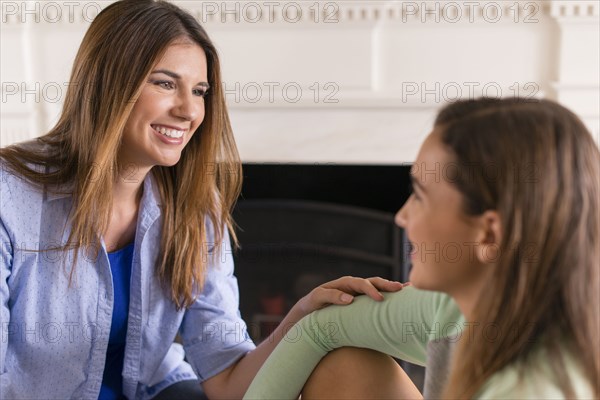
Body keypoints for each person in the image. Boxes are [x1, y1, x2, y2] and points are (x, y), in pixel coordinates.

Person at [0, 1, 407, 399]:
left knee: (345, 361)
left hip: (161, 391)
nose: (189, 110)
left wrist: (302, 319)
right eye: (164, 83)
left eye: (199, 91)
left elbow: (228, 379)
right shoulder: (10, 195)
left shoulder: (195, 204)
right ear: (108, 83)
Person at [244, 98, 600, 399]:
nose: (401, 217)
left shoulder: (529, 389)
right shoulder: (455, 306)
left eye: (420, 196)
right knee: (343, 359)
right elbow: (321, 327)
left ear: (490, 234)